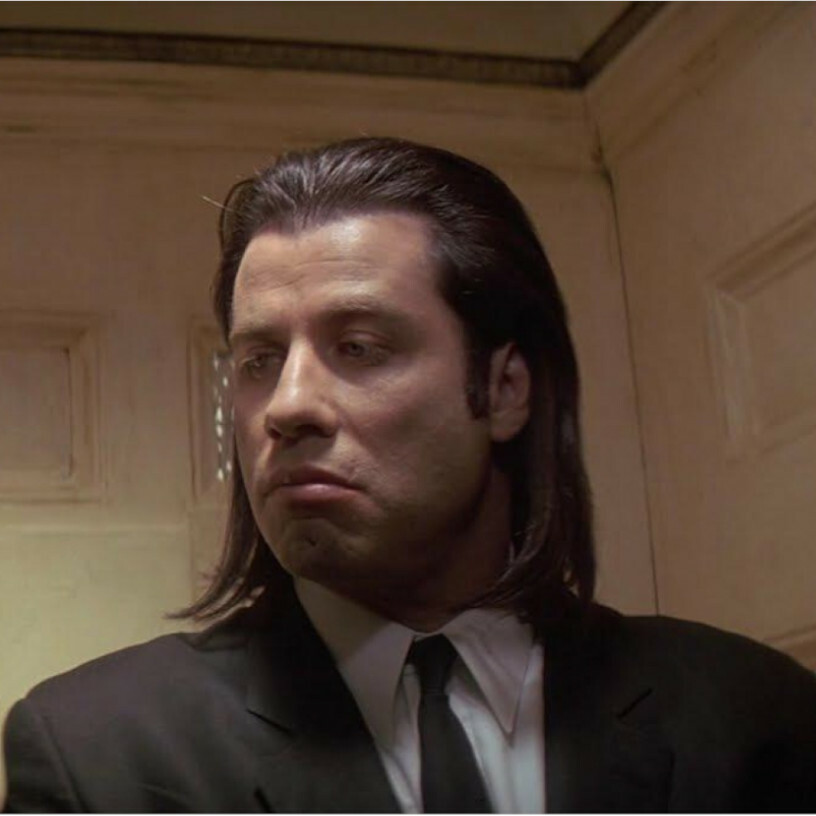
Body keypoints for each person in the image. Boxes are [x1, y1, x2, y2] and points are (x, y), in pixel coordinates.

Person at [3, 138, 815, 813]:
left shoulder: (754, 720)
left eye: (359, 347)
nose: (287, 406)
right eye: (259, 360)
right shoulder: (95, 753)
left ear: (503, 389)